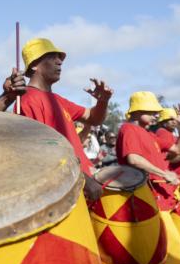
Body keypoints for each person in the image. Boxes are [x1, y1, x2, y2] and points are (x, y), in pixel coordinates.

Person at [18, 37, 112, 200]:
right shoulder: (28, 99)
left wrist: (102, 101)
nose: (59, 62)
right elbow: (45, 152)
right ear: (34, 65)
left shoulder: (58, 99)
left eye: (59, 58)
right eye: (52, 57)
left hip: (80, 183)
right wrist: (83, 178)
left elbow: (93, 118)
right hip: (63, 190)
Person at [116, 91, 180, 264]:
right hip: (148, 202)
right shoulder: (128, 129)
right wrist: (164, 174)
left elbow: (178, 150)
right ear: (137, 111)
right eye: (152, 111)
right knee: (162, 260)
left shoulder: (149, 134)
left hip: (159, 202)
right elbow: (133, 158)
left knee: (168, 262)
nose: (157, 115)